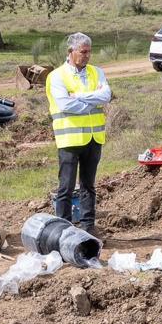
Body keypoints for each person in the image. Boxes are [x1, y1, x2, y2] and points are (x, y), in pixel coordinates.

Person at [45, 32, 111, 237]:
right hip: (70, 140)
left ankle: (88, 227)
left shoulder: (96, 72)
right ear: (71, 52)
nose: (87, 56)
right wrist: (91, 104)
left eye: (89, 52)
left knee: (88, 186)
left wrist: (81, 97)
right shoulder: (56, 76)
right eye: (83, 52)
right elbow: (65, 104)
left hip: (94, 138)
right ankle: (62, 231)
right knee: (66, 187)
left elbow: (106, 96)